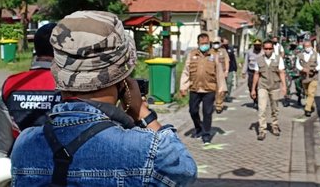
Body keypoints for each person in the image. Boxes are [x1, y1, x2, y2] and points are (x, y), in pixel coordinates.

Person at [11, 11, 197, 186]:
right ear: (122, 79)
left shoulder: (25, 144)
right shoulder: (146, 149)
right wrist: (142, 112)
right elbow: (186, 172)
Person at [0, 22, 59, 155]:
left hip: (21, 161)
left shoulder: (11, 84)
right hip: (64, 163)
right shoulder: (72, 84)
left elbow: (3, 144)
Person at [179, 33, 226, 144]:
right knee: (193, 110)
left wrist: (222, 88)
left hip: (209, 88)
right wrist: (183, 87)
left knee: (207, 112)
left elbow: (219, 72)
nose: (204, 45)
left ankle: (206, 134)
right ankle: (198, 127)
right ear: (198, 43)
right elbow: (186, 71)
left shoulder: (214, 55)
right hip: (195, 88)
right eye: (202, 43)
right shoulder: (192, 54)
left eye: (206, 43)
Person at [250, 40, 287, 141]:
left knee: (274, 108)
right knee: (261, 108)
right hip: (263, 86)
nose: (268, 50)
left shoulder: (278, 59)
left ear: (273, 49)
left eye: (270, 48)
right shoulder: (259, 59)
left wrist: (284, 86)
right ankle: (262, 130)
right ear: (263, 49)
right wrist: (253, 89)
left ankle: (275, 126)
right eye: (266, 48)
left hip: (275, 86)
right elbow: (256, 74)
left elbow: (282, 72)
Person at [296, 40, 320, 117]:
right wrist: (302, 69)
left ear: (311, 46)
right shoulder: (300, 55)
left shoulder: (316, 54)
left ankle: (307, 109)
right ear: (304, 47)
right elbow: (297, 64)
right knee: (307, 93)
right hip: (304, 77)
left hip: (313, 77)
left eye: (309, 46)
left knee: (311, 92)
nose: (307, 48)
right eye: (306, 46)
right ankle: (312, 105)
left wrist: (316, 69)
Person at [242, 39, 262, 109]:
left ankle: (259, 101)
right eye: (256, 45)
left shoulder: (263, 52)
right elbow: (246, 62)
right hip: (251, 71)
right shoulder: (249, 52)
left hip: (260, 72)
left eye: (259, 45)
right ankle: (255, 99)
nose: (257, 46)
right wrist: (243, 72)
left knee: (259, 87)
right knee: (251, 86)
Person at [213, 38, 230, 114]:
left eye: (217, 42)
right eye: (215, 42)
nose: (216, 44)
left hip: (221, 73)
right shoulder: (210, 51)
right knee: (214, 90)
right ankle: (215, 102)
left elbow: (226, 61)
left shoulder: (223, 51)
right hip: (212, 73)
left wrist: (226, 71)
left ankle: (219, 105)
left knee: (221, 90)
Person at [222, 38, 237, 102]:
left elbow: (233, 59)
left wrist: (235, 67)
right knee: (222, 83)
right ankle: (221, 96)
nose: (226, 45)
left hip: (230, 69)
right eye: (224, 44)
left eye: (227, 44)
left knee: (229, 82)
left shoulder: (230, 49)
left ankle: (227, 96)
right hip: (221, 69)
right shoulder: (218, 49)